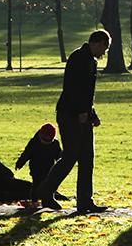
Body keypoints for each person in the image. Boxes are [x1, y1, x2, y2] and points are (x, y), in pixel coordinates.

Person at [35, 30, 109, 213]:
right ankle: (46, 191)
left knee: (86, 158)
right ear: (97, 42)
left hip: (80, 114)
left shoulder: (89, 60)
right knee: (70, 155)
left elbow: (87, 93)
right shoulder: (79, 58)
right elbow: (73, 88)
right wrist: (82, 111)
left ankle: (84, 200)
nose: (104, 52)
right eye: (104, 47)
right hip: (70, 114)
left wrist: (91, 114)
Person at [14, 123, 69, 202]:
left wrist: (62, 163)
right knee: (36, 183)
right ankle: (34, 199)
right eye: (45, 139)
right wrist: (20, 163)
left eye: (49, 140)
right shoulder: (34, 142)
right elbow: (26, 154)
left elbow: (58, 155)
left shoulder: (55, 144)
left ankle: (46, 198)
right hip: (36, 168)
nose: (46, 142)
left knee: (48, 184)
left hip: (49, 168)